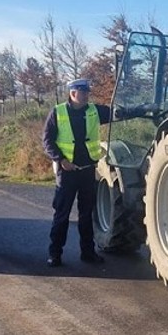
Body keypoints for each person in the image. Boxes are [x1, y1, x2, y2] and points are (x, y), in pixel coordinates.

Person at [42, 78, 112, 267]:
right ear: (73, 93)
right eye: (84, 92)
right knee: (62, 215)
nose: (87, 95)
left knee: (86, 215)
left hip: (87, 172)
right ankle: (55, 254)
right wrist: (61, 159)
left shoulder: (94, 110)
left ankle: (88, 253)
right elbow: (47, 141)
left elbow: (117, 113)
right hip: (67, 174)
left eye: (88, 92)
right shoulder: (58, 112)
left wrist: (143, 110)